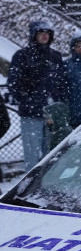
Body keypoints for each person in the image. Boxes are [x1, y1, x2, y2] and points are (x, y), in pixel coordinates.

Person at [7, 19, 71, 171]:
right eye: (41, 33)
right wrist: (27, 100)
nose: (44, 36)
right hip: (30, 113)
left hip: (52, 112)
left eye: (47, 33)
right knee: (32, 154)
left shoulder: (55, 56)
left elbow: (62, 82)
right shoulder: (22, 55)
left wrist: (60, 103)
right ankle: (30, 186)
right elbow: (13, 82)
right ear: (33, 35)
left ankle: (46, 183)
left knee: (51, 152)